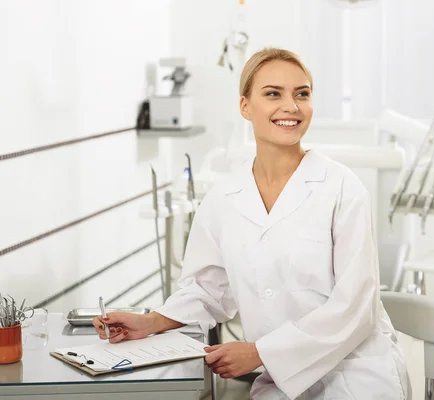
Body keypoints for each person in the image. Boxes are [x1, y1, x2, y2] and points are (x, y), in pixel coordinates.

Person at [93, 47, 411, 400]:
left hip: (357, 373)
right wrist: (152, 321)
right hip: (279, 381)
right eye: (273, 93)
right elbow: (207, 289)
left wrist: (260, 353)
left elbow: (355, 307)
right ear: (245, 106)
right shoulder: (223, 198)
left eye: (301, 94)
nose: (290, 106)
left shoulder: (343, 188)